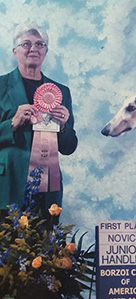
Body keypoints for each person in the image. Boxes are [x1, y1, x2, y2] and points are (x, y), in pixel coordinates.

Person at [0, 23, 78, 227]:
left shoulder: (61, 92)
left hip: (46, 186)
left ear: (45, 52)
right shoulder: (0, 86)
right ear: (15, 51)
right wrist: (12, 123)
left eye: (39, 44)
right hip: (8, 182)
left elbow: (69, 147)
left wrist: (63, 126)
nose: (33, 48)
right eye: (26, 44)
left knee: (44, 252)